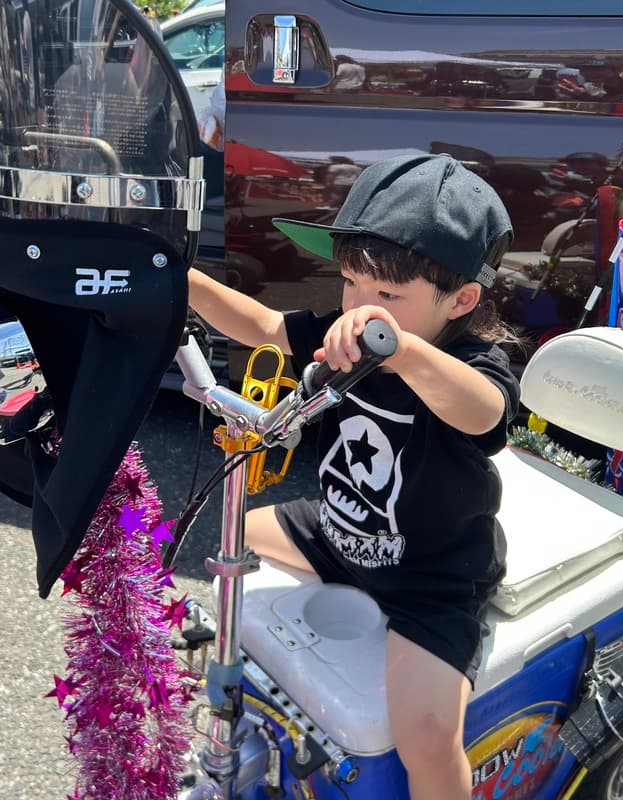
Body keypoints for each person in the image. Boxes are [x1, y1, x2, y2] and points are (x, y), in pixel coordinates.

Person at [188, 153, 521, 800]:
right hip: (338, 532)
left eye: (389, 296)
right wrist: (183, 280)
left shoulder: (470, 362)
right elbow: (262, 326)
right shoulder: (340, 337)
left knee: (427, 734)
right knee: (237, 532)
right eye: (350, 283)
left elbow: (484, 413)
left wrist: (403, 350)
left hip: (432, 573)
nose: (362, 309)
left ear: (462, 300)